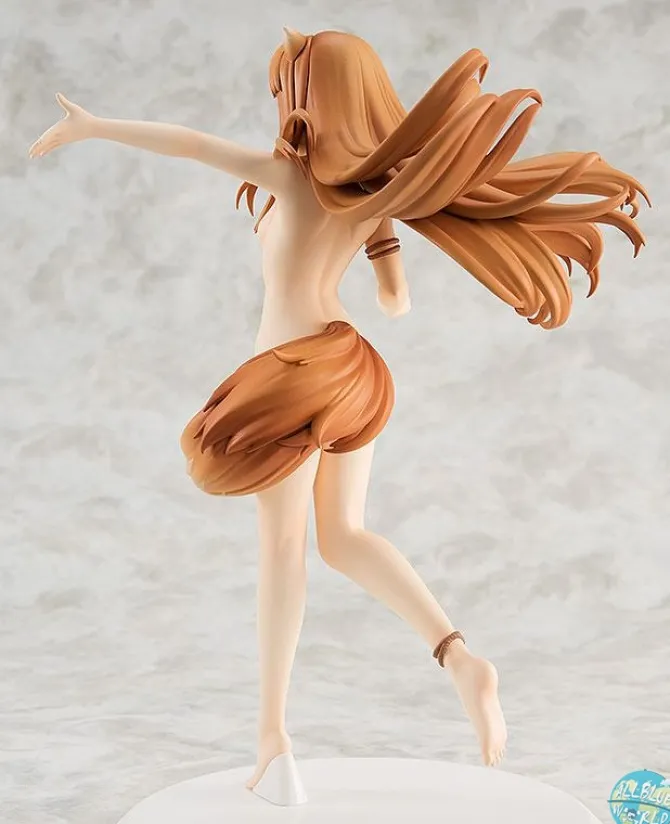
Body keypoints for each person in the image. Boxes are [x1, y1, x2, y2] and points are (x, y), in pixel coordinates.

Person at [29, 26, 648, 806]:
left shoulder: (288, 178)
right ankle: (459, 657)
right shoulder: (370, 200)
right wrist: (377, 248)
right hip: (354, 368)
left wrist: (96, 126)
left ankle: (273, 742)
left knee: (283, 551)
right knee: (344, 536)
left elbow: (189, 144)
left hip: (291, 375)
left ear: (311, 96)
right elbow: (395, 302)